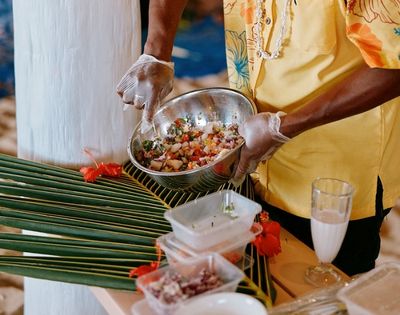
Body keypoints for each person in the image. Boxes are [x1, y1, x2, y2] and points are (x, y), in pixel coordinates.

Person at [116, 0, 400, 276]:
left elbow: (394, 69)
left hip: (334, 176)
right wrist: (157, 52)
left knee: (321, 290)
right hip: (250, 153)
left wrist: (283, 127)